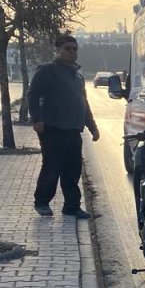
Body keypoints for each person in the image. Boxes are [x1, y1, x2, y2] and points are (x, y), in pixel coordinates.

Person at [29, 34, 100, 219]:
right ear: (58, 50)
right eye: (67, 48)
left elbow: (83, 103)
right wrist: (37, 119)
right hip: (52, 128)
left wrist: (92, 127)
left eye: (74, 49)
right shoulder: (47, 71)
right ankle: (42, 202)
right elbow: (33, 95)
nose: (71, 52)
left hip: (73, 130)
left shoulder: (77, 75)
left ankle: (72, 206)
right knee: (52, 167)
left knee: (73, 170)